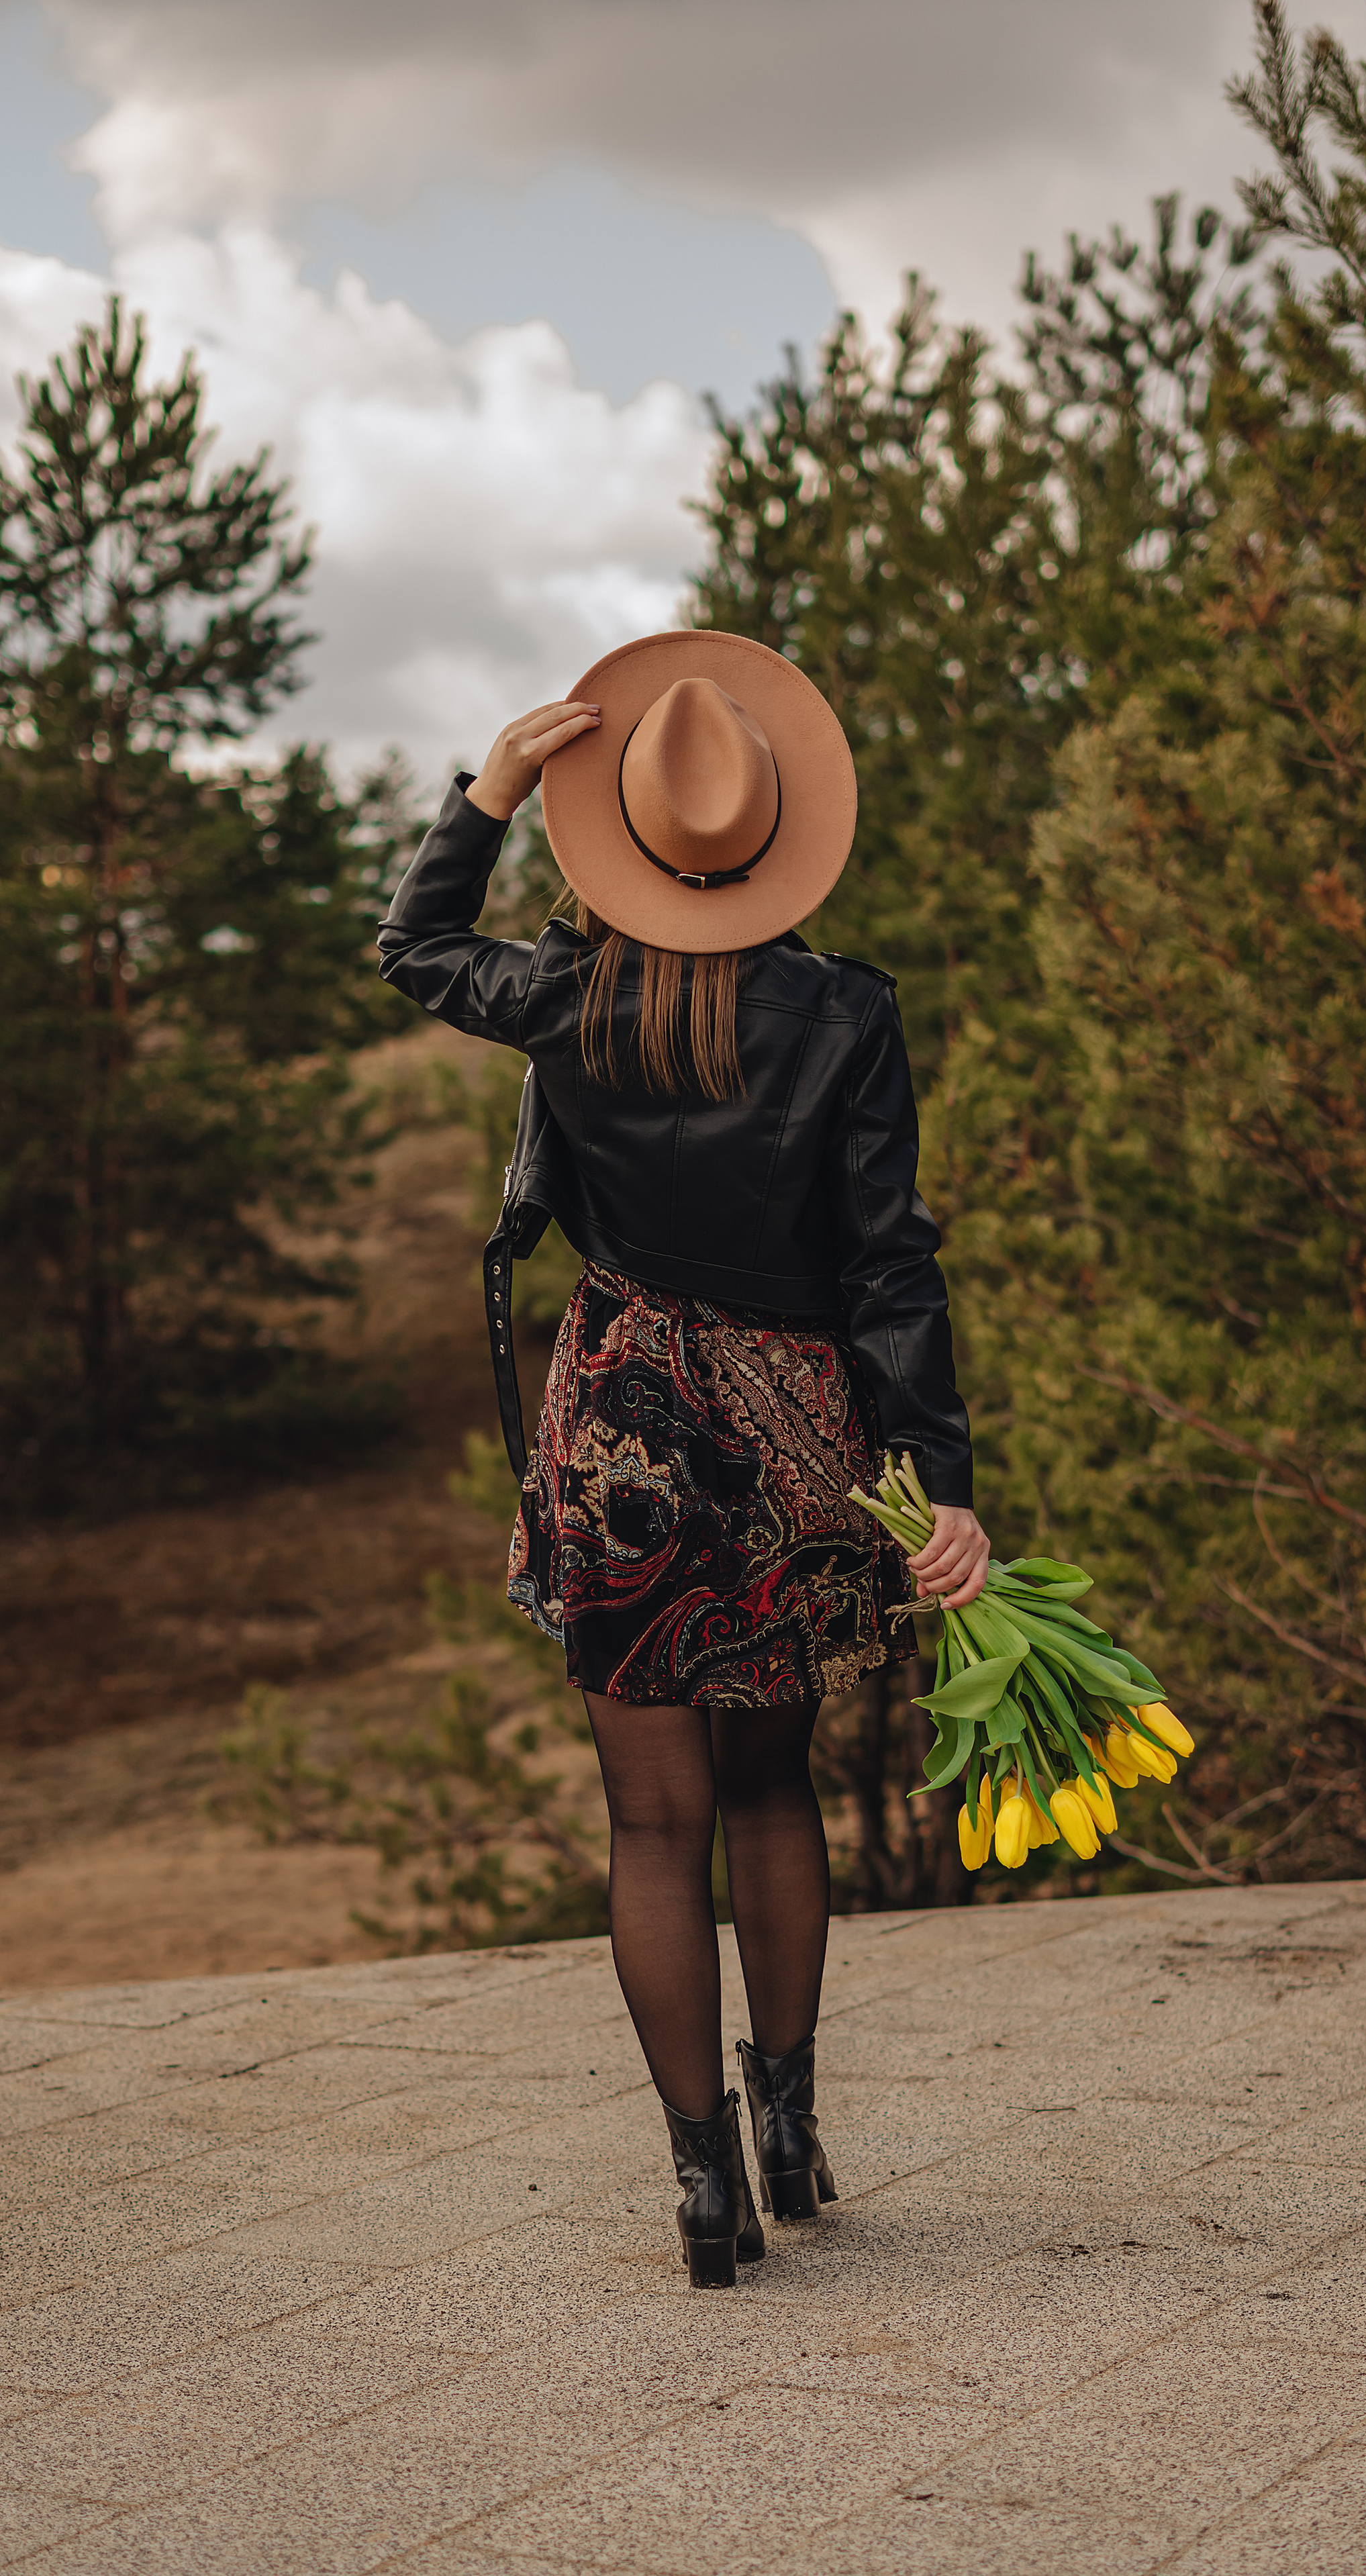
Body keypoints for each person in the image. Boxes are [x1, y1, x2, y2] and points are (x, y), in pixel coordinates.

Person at [378, 630, 986, 2287]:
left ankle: (703, 2187)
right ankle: (788, 2127)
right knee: (773, 1781)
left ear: (621, 835)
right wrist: (935, 1464)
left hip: (625, 1426)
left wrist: (491, 786)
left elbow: (414, 946)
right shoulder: (845, 1013)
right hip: (796, 1429)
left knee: (654, 1825)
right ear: (774, 835)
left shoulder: (563, 999)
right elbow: (888, 1260)